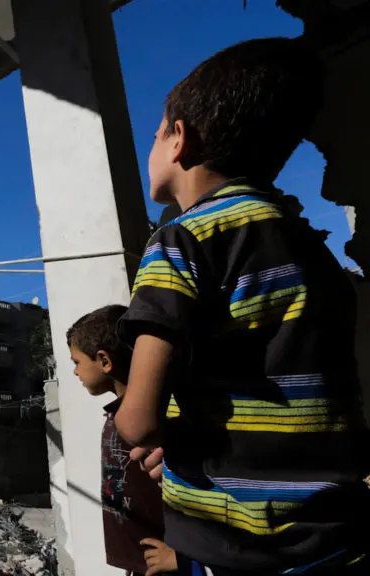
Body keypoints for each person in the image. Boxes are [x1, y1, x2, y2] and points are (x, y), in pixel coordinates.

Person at [114, 36, 370, 574]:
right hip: (336, 534)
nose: (153, 147)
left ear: (179, 138)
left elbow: (137, 422)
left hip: (240, 545)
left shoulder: (183, 242)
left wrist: (164, 440)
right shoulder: (309, 245)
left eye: (154, 134)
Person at [68, 305, 181, 576]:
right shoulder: (116, 415)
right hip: (139, 564)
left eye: (77, 362)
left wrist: (182, 557)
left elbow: (198, 495)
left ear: (104, 360)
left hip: (167, 564)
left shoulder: (157, 422)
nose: (75, 372)